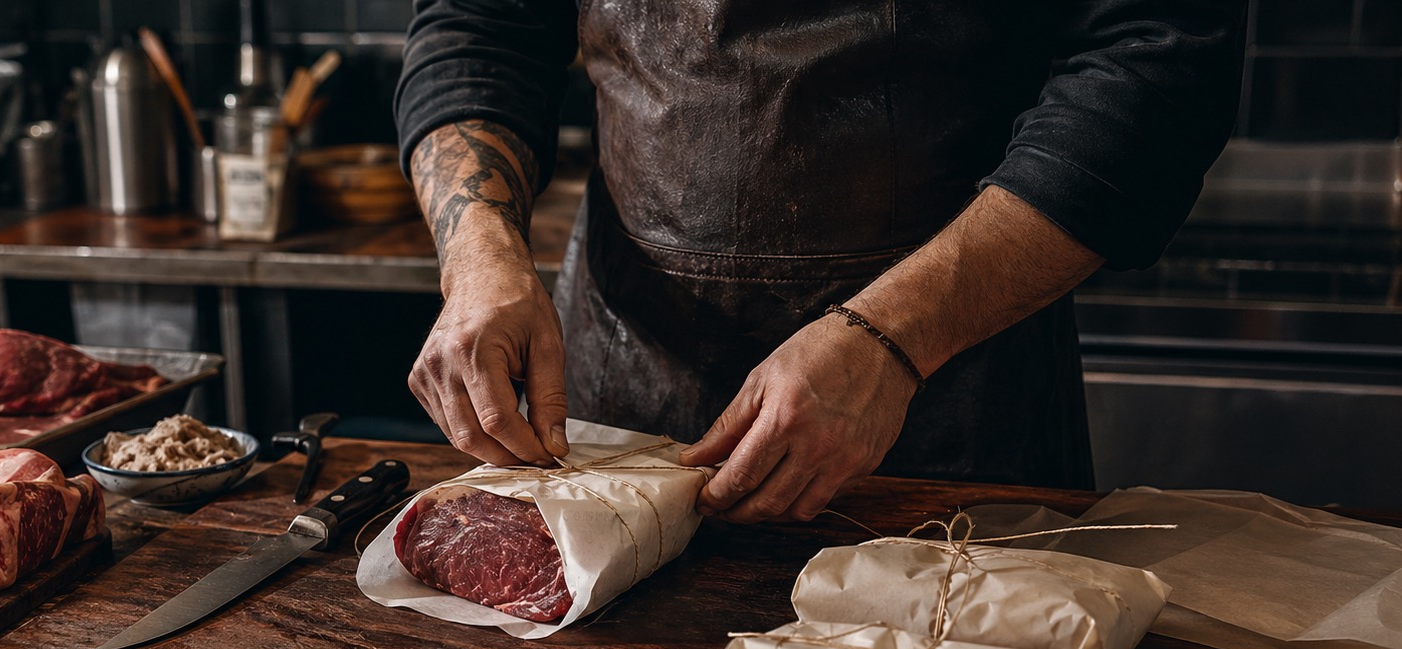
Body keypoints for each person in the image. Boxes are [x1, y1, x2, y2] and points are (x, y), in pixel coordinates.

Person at [395, 0, 1243, 523]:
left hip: (951, 405)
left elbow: (1156, 56)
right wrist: (478, 253)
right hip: (619, 403)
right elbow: (481, 25)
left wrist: (895, 337)